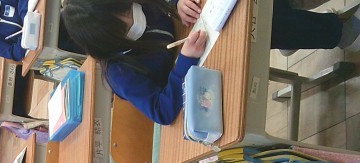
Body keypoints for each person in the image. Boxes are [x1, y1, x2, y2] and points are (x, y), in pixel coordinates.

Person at [61, 0, 360, 125]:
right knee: (263, 26)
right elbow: (162, 111)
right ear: (107, 40)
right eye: (124, 20)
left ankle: (303, 33)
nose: (132, 14)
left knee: (254, 15)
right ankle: (338, 33)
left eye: (127, 7)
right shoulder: (120, 73)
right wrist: (185, 62)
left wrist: (177, 3)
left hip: (204, 39)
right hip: (204, 81)